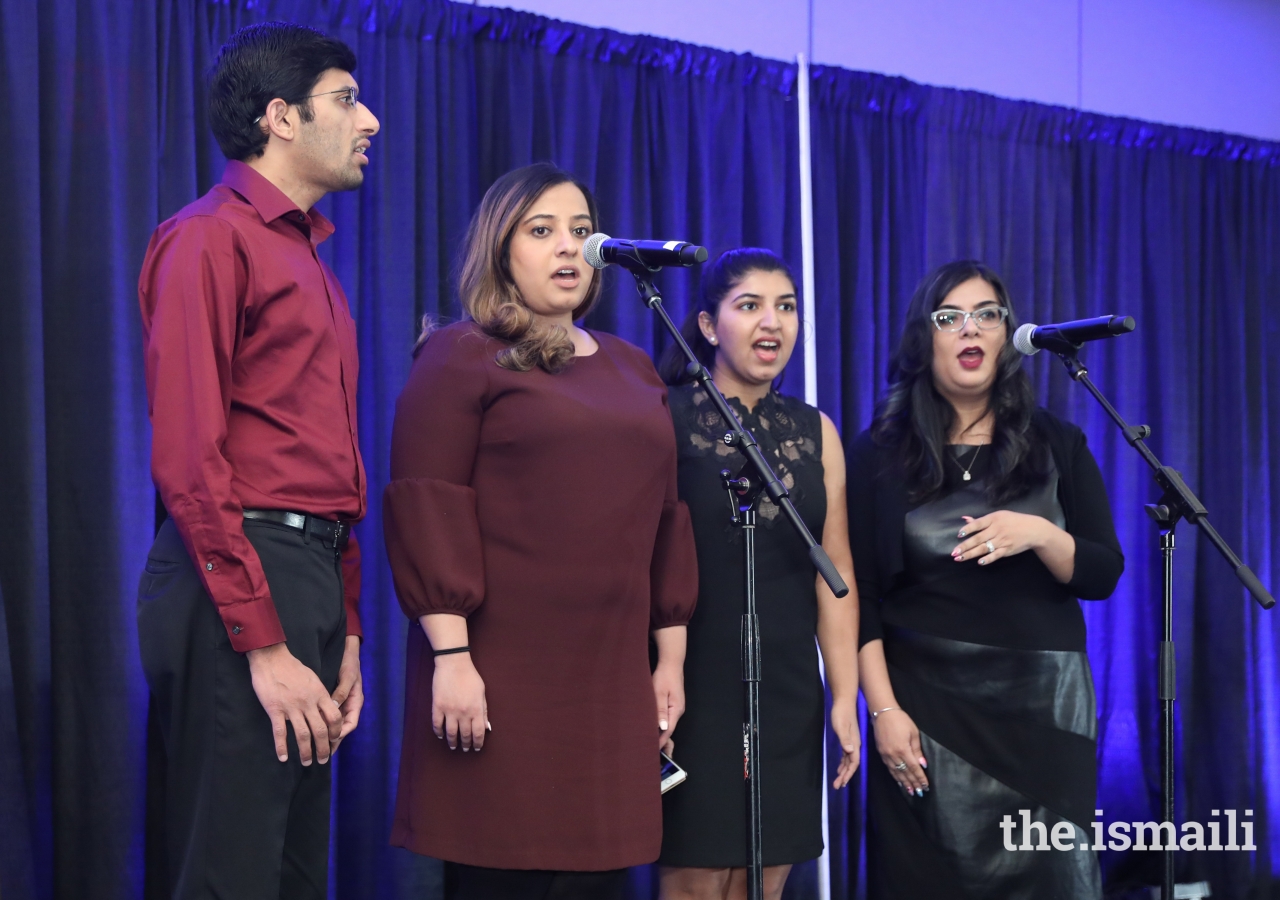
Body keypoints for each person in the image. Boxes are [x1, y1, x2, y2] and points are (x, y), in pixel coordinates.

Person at [383, 162, 699, 900]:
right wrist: (452, 658)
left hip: (609, 681)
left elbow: (666, 520)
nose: (568, 248)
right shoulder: (461, 354)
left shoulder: (633, 366)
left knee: (599, 879)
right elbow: (429, 504)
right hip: (499, 675)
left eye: (582, 232)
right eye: (542, 230)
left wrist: (670, 662)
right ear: (502, 250)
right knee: (505, 873)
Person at [136, 22, 380, 899]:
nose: (371, 121)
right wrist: (263, 641)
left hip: (305, 576)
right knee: (229, 873)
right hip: (237, 578)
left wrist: (346, 628)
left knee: (292, 873)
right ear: (280, 116)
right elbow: (189, 461)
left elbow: (335, 469)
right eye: (347, 99)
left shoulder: (309, 255)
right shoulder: (209, 238)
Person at [848, 260, 1124, 899]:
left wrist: (1042, 535)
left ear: (1007, 336)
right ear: (926, 339)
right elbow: (857, 597)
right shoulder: (879, 454)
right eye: (950, 318)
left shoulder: (1057, 440)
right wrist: (882, 710)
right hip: (928, 711)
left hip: (1044, 713)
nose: (970, 330)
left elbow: (1103, 572)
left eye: (987, 315)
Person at [656, 249, 860, 900]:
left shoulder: (814, 430)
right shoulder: (664, 415)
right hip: (692, 680)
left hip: (787, 687)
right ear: (710, 326)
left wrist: (845, 700)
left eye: (787, 306)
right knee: (697, 877)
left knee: (765, 879)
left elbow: (836, 570)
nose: (773, 322)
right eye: (750, 306)